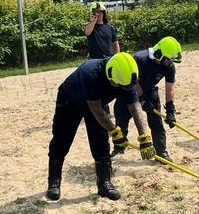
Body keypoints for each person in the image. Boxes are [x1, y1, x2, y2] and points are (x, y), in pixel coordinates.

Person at [46, 52, 156, 202]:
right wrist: (114, 131)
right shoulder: (91, 74)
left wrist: (145, 137)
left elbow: (135, 107)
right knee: (62, 139)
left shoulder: (126, 77)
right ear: (111, 76)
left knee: (101, 141)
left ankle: (104, 183)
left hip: (97, 101)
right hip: (71, 100)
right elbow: (96, 109)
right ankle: (54, 181)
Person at [111, 37, 182, 162]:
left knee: (156, 123)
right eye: (169, 59)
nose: (171, 62)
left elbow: (170, 87)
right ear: (159, 55)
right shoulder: (140, 59)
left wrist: (170, 109)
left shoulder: (169, 66)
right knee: (121, 119)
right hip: (128, 90)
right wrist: (142, 98)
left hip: (150, 90)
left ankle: (161, 152)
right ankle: (118, 148)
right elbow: (133, 82)